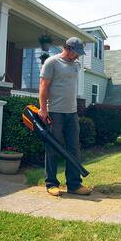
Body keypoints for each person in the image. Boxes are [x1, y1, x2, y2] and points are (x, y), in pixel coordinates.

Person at [38, 37, 92, 196]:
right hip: (55, 111)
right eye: (77, 52)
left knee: (74, 148)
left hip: (72, 112)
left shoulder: (75, 65)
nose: (78, 56)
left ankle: (74, 184)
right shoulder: (52, 62)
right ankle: (51, 183)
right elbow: (43, 86)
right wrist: (43, 109)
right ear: (68, 48)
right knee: (53, 147)